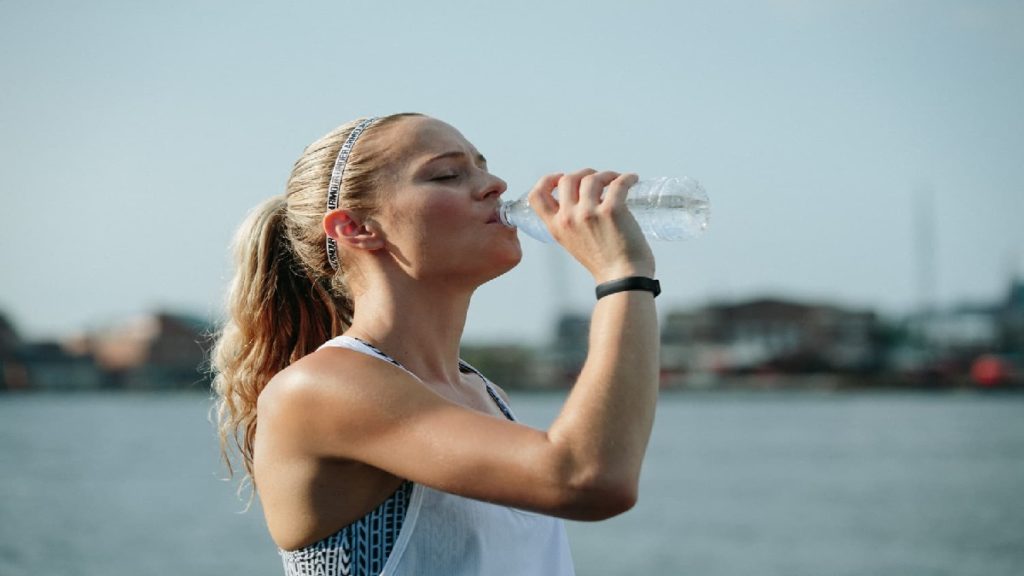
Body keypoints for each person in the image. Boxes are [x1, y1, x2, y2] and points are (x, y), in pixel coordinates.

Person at [212, 113, 662, 576]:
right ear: (354, 227)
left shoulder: (486, 395)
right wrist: (622, 273)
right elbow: (586, 478)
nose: (496, 185)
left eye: (483, 166)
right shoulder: (319, 388)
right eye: (447, 174)